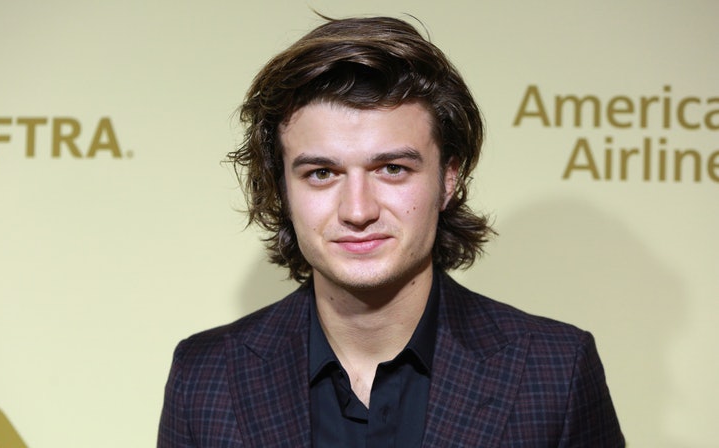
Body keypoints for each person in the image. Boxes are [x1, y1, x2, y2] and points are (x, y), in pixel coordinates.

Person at [158, 15, 624, 447]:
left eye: (393, 169)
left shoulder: (556, 371)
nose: (358, 210)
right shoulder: (205, 377)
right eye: (322, 173)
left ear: (448, 179)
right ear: (281, 189)